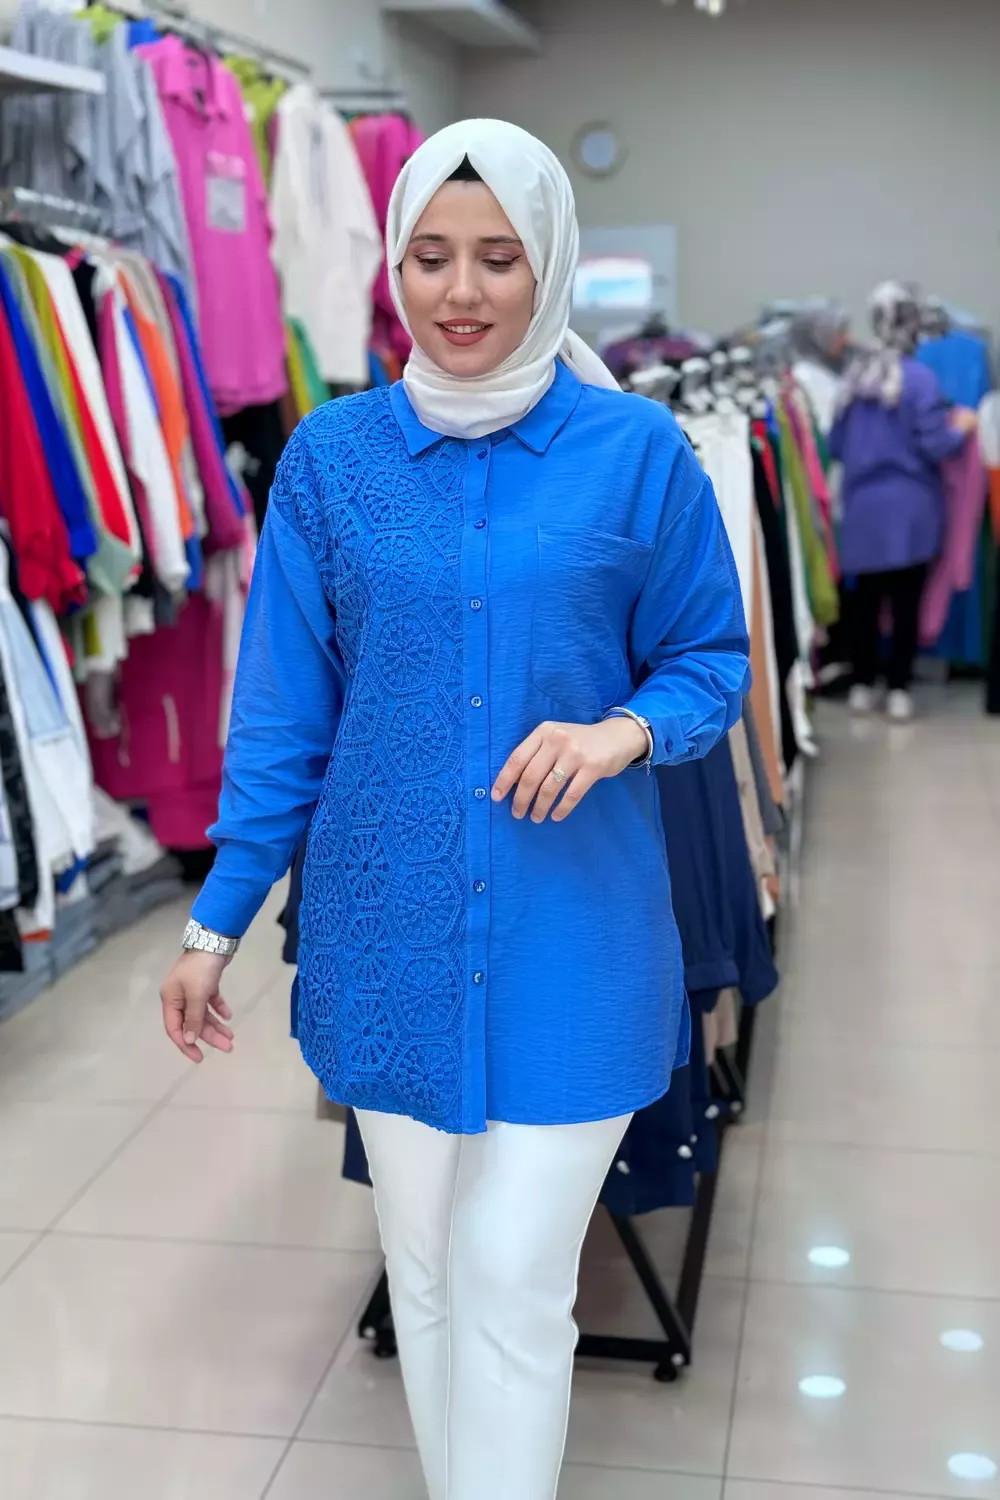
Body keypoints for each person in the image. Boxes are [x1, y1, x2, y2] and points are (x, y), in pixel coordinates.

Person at [159, 118, 750, 1500]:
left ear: (548, 264)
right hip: (387, 937)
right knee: (421, 1276)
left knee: (513, 1279)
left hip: (578, 940)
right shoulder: (330, 460)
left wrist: (620, 730)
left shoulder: (636, 452)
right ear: (394, 264)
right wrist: (214, 924)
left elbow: (711, 661)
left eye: (499, 256)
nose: (463, 291)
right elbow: (284, 719)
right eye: (431, 256)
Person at [829, 280, 977, 723]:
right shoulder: (920, 379)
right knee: (906, 602)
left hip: (862, 508)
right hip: (911, 510)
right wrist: (961, 428)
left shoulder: (854, 379)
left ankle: (862, 684)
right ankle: (898, 689)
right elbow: (936, 445)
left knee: (864, 601)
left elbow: (836, 444)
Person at [790, 298, 851, 435]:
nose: (847, 339)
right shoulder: (803, 378)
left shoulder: (833, 371)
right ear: (818, 335)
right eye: (839, 332)